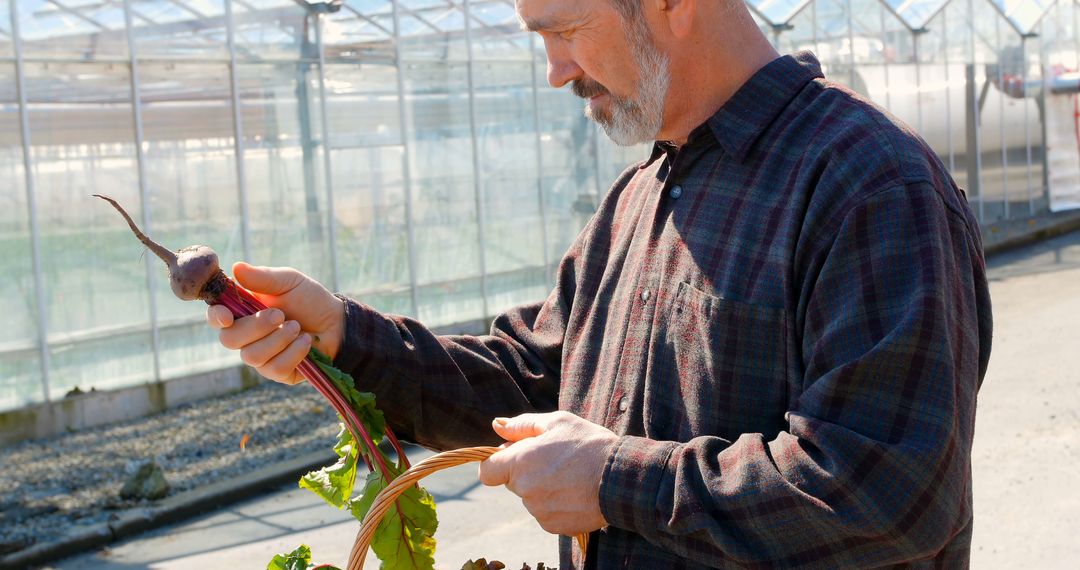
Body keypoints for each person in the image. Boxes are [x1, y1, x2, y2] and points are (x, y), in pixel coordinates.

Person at [207, 0, 992, 567]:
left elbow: (887, 489)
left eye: (564, 30)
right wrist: (343, 334)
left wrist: (616, 482)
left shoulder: (867, 183)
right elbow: (536, 379)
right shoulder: (643, 195)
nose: (555, 72)